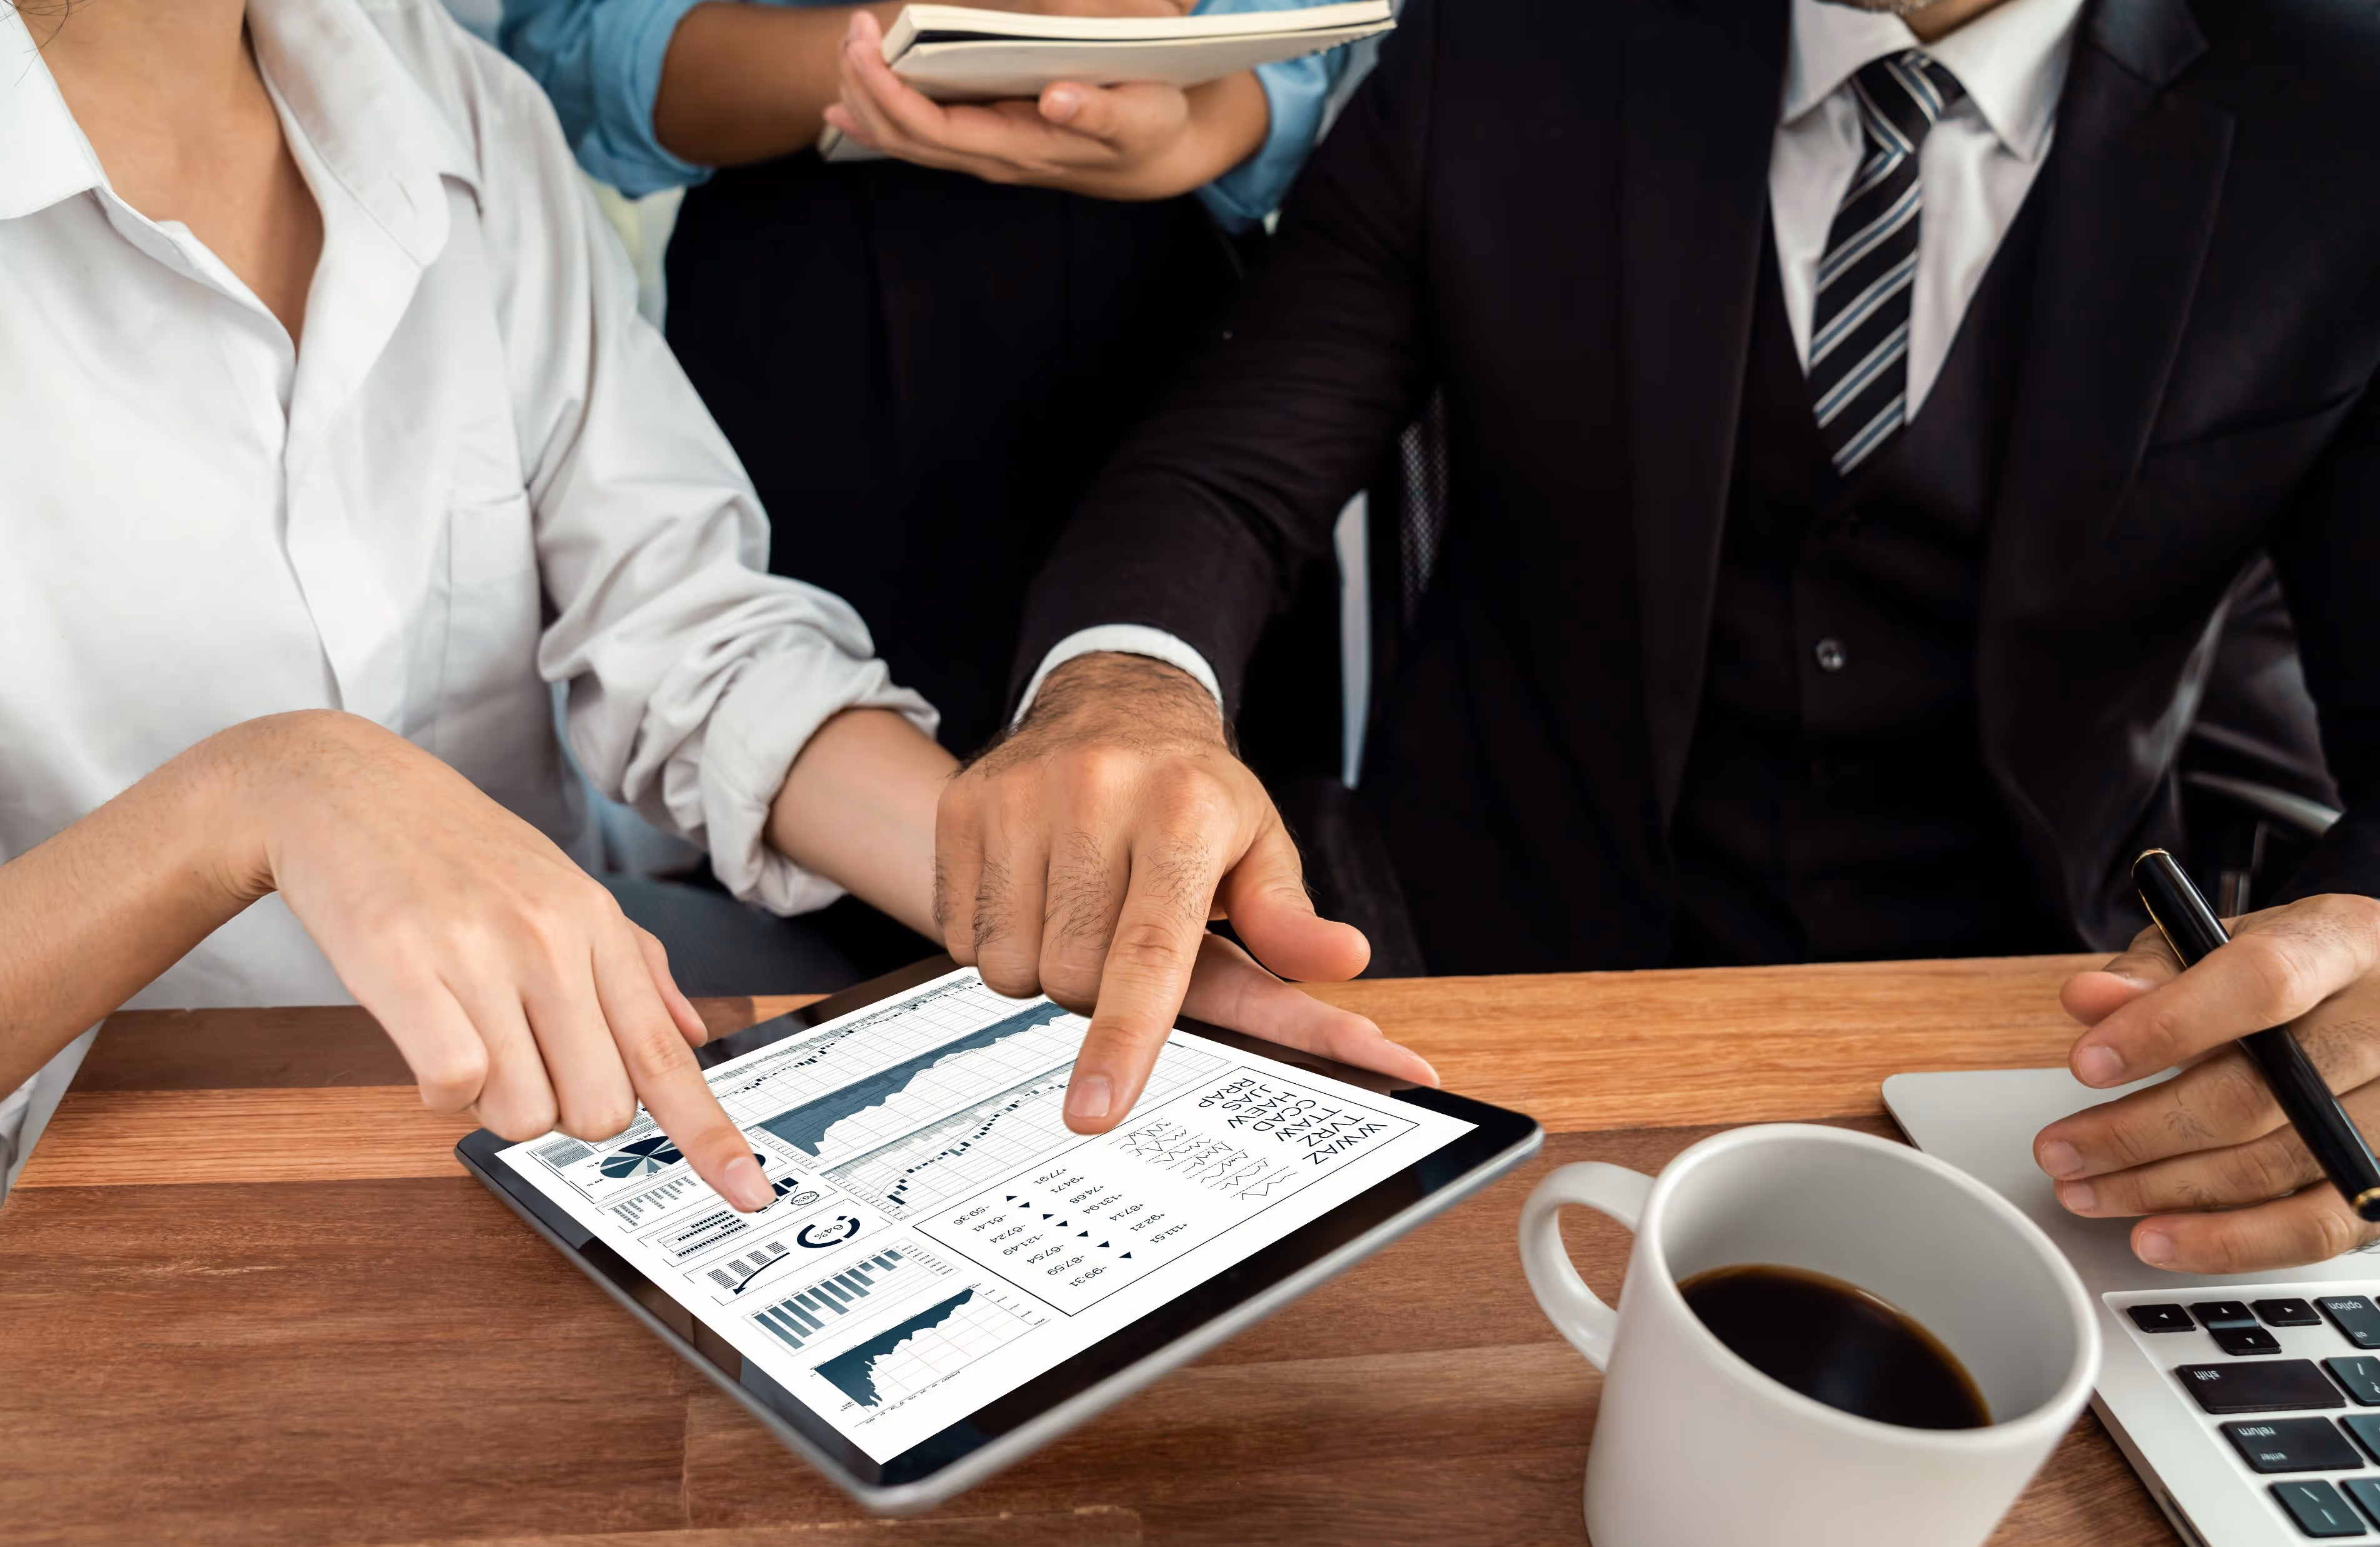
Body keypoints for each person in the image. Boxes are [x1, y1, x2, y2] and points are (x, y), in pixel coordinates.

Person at [0, 0, 1428, 1326]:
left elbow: (691, 642)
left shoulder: (453, 104)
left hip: (567, 1152)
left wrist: (1049, 913)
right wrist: (260, 793)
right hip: (82, 1262)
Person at [928, 0, 2380, 1273]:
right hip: (1490, 995)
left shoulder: (2340, 113)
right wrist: (1120, 689)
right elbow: (1226, 472)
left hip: (2037, 1041)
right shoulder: (1505, 38)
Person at [498, 0, 1365, 968]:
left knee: (1226, 888)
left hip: (1176, 313)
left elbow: (1297, 44)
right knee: (832, 959)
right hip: (804, 311)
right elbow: (570, 48)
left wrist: (1206, 123)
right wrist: (904, 40)